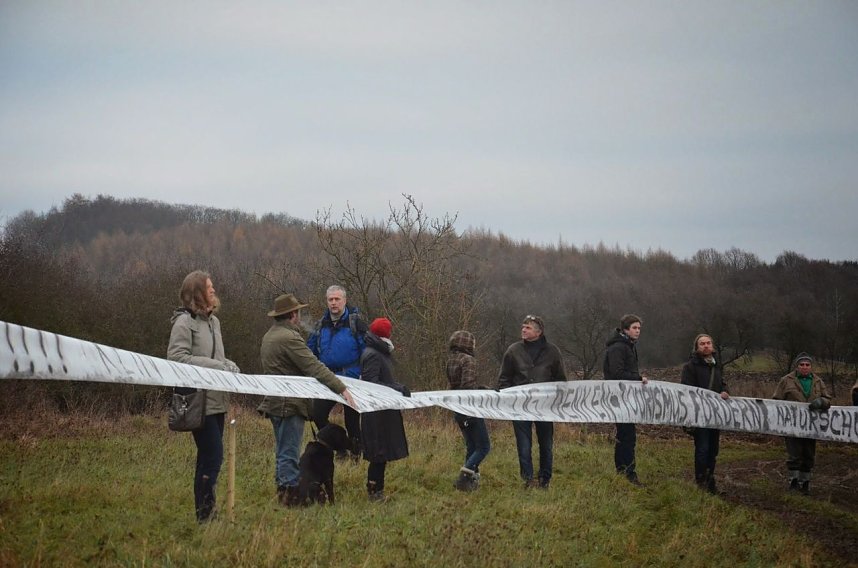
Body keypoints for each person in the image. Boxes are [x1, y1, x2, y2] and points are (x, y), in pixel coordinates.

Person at [256, 293, 356, 507]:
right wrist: (341, 388)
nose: (300, 316)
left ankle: (283, 494)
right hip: (288, 403)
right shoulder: (289, 338)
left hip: (275, 401)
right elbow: (313, 366)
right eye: (298, 312)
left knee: (283, 451)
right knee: (289, 454)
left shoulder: (269, 336)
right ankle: (291, 499)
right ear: (292, 315)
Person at [167, 270, 240, 523]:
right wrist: (216, 366)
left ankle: (205, 512)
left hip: (218, 400)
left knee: (207, 457)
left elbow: (217, 359)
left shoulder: (214, 322)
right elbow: (176, 358)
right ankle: (206, 515)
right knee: (214, 456)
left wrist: (228, 364)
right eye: (208, 287)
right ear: (197, 292)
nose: (213, 290)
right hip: (197, 401)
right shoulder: (183, 323)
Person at [496, 315, 567, 489]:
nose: (523, 329)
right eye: (523, 326)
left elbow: (561, 380)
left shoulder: (553, 352)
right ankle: (527, 480)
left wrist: (556, 401)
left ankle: (545, 480)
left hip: (545, 407)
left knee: (546, 444)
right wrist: (508, 397)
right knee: (524, 445)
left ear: (538, 331)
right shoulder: (513, 350)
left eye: (527, 327)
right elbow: (504, 379)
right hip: (519, 406)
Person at [307, 285, 367, 458]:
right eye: (330, 299)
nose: (333, 303)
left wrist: (365, 374)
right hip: (327, 378)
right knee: (317, 414)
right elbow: (309, 351)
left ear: (344, 301)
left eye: (337, 299)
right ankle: (339, 447)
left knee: (352, 421)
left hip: (352, 378)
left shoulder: (356, 323)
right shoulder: (320, 325)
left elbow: (366, 350)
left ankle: (356, 452)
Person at [360, 317, 410, 501]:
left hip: (383, 410)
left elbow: (384, 379)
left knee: (381, 452)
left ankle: (377, 490)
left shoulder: (379, 351)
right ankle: (374, 492)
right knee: (378, 453)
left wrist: (397, 386)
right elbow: (371, 383)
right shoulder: (373, 353)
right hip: (376, 412)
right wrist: (396, 388)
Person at [772, 353, 831, 495]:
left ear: (811, 367)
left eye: (807, 365)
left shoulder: (818, 381)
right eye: (801, 365)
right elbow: (775, 401)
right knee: (794, 454)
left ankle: (805, 483)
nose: (804, 367)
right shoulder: (786, 380)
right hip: (791, 424)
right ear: (797, 366)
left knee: (808, 454)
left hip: (812, 425)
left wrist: (822, 402)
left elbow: (828, 399)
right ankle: (793, 482)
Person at [680, 334, 729, 494]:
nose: (706, 346)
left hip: (715, 415)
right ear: (697, 347)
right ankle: (701, 482)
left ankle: (710, 481)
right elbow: (686, 391)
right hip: (699, 415)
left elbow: (722, 384)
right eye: (702, 344)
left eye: (708, 343)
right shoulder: (690, 367)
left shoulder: (716, 366)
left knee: (713, 449)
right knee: (702, 448)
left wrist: (725, 391)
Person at [603, 314, 648, 486]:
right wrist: (637, 378)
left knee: (625, 436)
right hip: (619, 397)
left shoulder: (628, 346)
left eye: (639, 328)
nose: (638, 331)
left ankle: (623, 471)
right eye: (635, 328)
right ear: (625, 329)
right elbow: (616, 373)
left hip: (626, 397)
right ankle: (628, 473)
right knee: (627, 437)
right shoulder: (618, 347)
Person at [446, 330, 491, 492]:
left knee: (472, 446)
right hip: (470, 408)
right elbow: (468, 386)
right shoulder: (468, 360)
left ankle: (470, 482)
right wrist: (481, 391)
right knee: (484, 447)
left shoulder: (451, 359)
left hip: (457, 407)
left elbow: (456, 385)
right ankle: (464, 478)